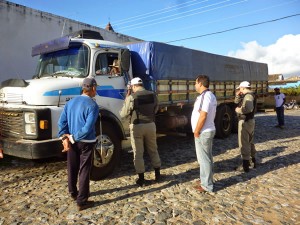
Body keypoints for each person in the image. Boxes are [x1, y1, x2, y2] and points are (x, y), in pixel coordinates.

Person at [58, 77, 99, 211]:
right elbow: (87, 128)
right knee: (84, 170)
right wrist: (74, 137)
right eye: (96, 88)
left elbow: (62, 122)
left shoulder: (70, 102)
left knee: (72, 166)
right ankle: (82, 201)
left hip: (71, 140)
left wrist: (64, 136)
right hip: (86, 141)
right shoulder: (93, 105)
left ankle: (73, 192)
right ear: (92, 88)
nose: (96, 91)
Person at [120, 77, 161, 187]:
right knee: (153, 149)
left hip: (137, 126)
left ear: (133, 86)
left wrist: (126, 99)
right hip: (151, 125)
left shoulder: (132, 97)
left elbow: (123, 114)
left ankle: (141, 179)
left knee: (138, 153)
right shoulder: (152, 94)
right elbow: (156, 108)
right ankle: (157, 174)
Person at [191, 75, 217, 193]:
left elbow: (203, 115)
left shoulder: (205, 96)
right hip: (208, 130)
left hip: (203, 131)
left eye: (196, 83)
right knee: (207, 158)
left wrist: (197, 131)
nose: (195, 85)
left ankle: (207, 185)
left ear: (200, 83)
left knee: (204, 159)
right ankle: (205, 180)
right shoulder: (210, 95)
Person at [234, 81, 257, 172]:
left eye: (240, 88)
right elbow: (236, 101)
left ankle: (245, 165)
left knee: (244, 143)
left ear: (242, 88)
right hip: (250, 121)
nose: (239, 90)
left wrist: (238, 110)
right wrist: (238, 96)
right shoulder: (250, 95)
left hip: (245, 121)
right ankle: (253, 160)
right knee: (250, 141)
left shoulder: (248, 96)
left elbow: (247, 109)